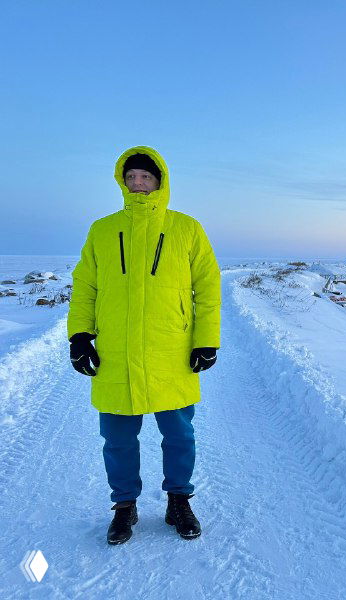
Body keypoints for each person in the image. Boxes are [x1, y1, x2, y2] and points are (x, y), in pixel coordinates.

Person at [67, 146, 221, 545]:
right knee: (117, 439)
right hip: (116, 353)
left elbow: (207, 287)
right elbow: (85, 286)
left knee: (180, 435)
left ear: (160, 182)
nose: (138, 183)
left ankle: (178, 501)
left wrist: (206, 340)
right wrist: (80, 336)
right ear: (122, 181)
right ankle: (124, 506)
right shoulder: (102, 229)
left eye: (145, 177)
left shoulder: (186, 228)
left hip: (171, 351)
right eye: (131, 177)